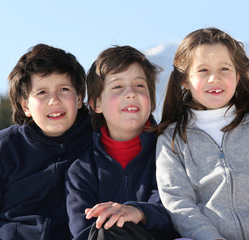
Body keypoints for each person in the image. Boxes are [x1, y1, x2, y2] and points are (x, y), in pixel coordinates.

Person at [155, 27, 249, 240]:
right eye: (203, 70)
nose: (214, 78)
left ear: (237, 74)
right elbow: (179, 205)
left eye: (224, 68)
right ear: (185, 80)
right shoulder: (173, 139)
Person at [0, 44, 93, 240]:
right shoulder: (1, 150)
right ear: (25, 106)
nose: (54, 100)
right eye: (42, 92)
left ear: (78, 98)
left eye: (64, 89)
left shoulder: (99, 140)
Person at [66, 45, 179, 240]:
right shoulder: (82, 170)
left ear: (151, 99)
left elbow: (174, 213)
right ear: (96, 103)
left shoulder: (169, 151)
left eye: (139, 86)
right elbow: (82, 231)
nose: (131, 94)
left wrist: (138, 212)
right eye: (117, 86)